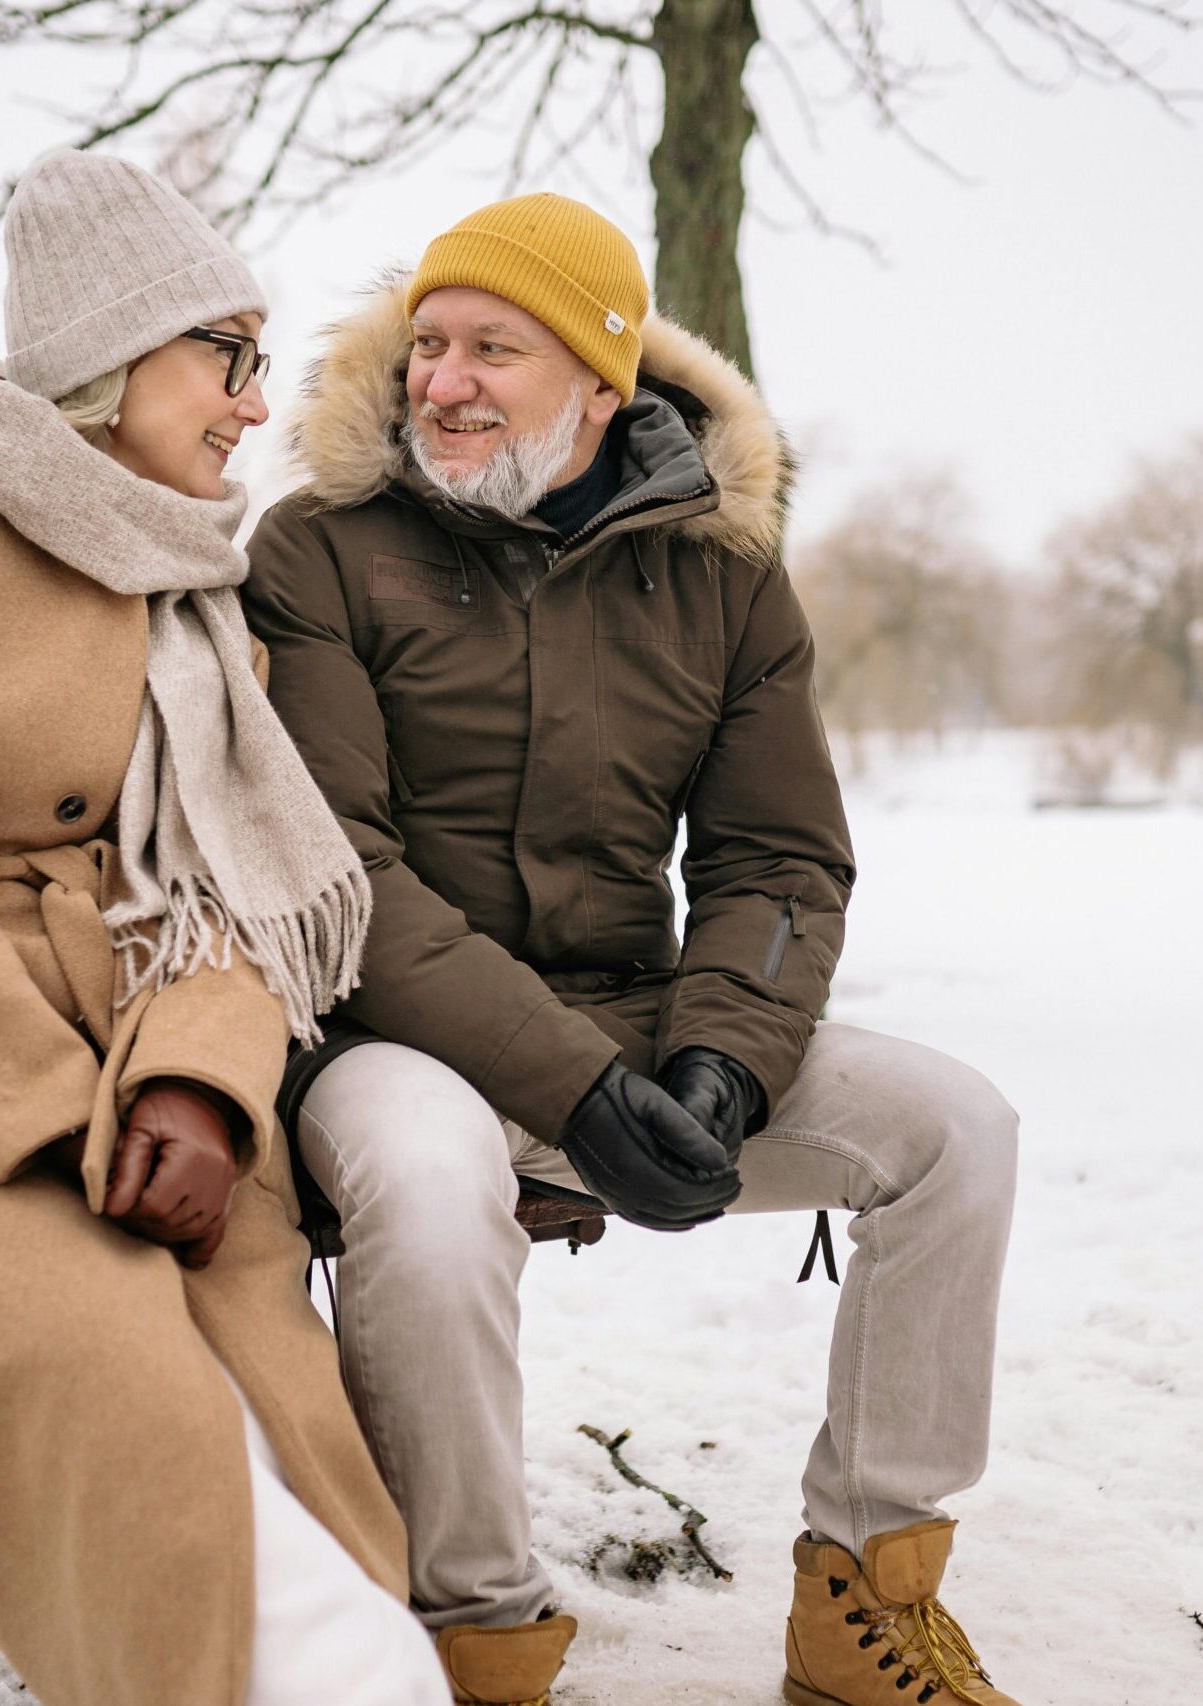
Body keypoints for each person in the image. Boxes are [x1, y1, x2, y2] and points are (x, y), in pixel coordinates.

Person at [243, 193, 1022, 1706]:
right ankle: (472, 1639)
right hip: (384, 1034)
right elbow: (345, 873)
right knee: (422, 1175)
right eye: (429, 345)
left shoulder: (724, 577)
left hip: (639, 1013)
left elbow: (775, 858)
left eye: (492, 349)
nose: (442, 379)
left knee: (956, 1130)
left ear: (602, 387)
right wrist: (581, 1083)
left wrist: (724, 1061)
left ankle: (863, 1593)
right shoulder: (320, 550)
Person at [0, 148, 451, 1706]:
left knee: (280, 1399)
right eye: (226, 356)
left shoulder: (196, 591)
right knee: (111, 1373)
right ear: (115, 353)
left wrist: (192, 1087)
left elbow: (234, 889)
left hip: (141, 1094)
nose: (255, 402)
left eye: (259, 364)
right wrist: (51, 1111)